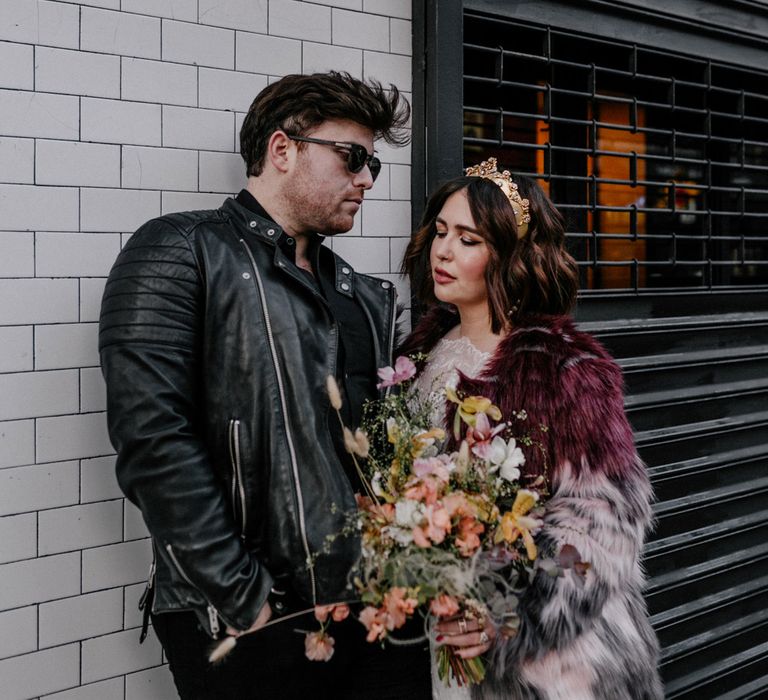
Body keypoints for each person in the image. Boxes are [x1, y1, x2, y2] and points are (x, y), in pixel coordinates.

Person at [99, 72, 431, 699]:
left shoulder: (365, 297)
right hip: (246, 622)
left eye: (373, 166)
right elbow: (152, 439)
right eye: (353, 158)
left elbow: (378, 457)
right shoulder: (181, 250)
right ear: (283, 149)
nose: (365, 180)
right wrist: (246, 602)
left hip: (377, 611)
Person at [398, 159, 664, 699]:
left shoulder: (561, 368)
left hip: (552, 662)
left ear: (512, 257)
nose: (443, 251)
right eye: (441, 233)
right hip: (441, 626)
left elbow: (605, 522)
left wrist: (508, 619)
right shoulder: (418, 353)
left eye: (468, 239)